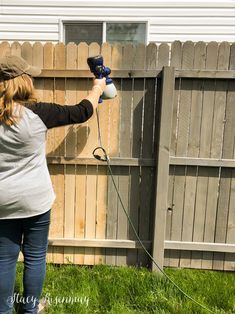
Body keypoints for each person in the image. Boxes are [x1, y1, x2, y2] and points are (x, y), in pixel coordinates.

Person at [0, 55, 106, 314]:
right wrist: (97, 89)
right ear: (23, 81)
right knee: (35, 258)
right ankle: (29, 309)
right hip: (36, 200)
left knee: (4, 260)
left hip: (2, 201)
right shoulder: (39, 113)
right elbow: (82, 111)